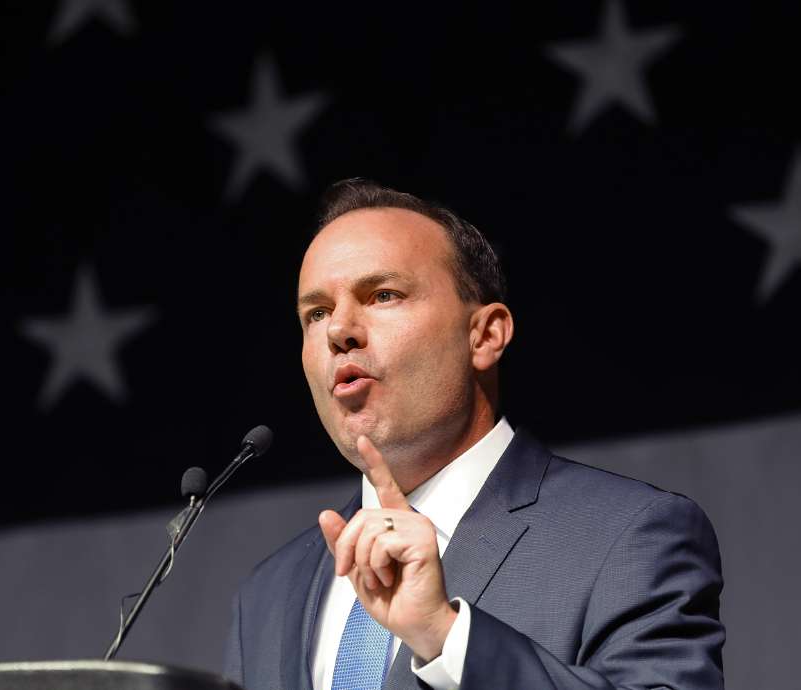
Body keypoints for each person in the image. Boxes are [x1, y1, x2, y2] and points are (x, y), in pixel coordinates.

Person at [223, 179, 725, 690]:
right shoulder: (268, 593)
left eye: (382, 295)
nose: (338, 330)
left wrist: (446, 638)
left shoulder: (630, 536)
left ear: (484, 335)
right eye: (317, 313)